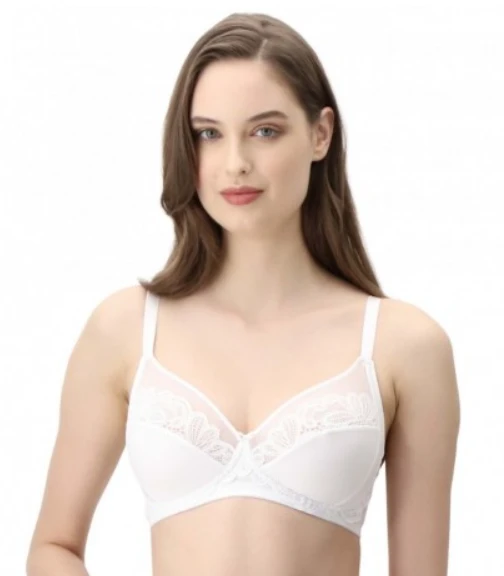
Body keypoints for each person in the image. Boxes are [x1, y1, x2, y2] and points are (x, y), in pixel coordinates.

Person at [26, 12, 460, 576]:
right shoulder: (125, 329)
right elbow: (54, 546)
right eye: (209, 133)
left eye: (265, 131)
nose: (235, 163)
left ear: (321, 134)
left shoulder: (404, 347)